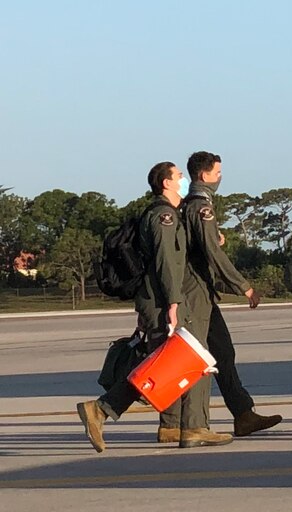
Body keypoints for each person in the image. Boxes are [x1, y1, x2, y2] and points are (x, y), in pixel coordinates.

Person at [77, 162, 226, 449]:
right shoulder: (163, 216)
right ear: (166, 183)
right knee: (170, 364)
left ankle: (171, 425)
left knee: (163, 362)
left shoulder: (168, 214)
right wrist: (173, 302)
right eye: (179, 176)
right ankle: (103, 409)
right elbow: (166, 262)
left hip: (156, 299)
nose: (184, 179)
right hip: (161, 300)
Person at [180, 152, 282, 439]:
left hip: (201, 293)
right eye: (217, 173)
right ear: (203, 175)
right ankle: (184, 423)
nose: (220, 178)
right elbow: (212, 255)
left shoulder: (191, 205)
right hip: (195, 294)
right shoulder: (201, 207)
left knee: (222, 352)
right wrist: (243, 286)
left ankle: (243, 414)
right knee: (196, 358)